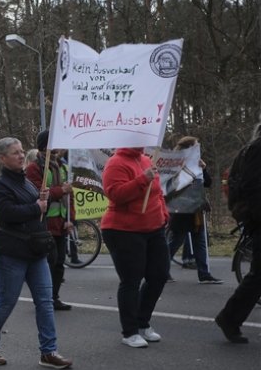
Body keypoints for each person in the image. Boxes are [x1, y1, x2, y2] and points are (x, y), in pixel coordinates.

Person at [0, 137, 72, 369]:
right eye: (15, 153)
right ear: (2, 158)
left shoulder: (27, 182)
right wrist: (35, 207)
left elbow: (37, 211)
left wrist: (44, 201)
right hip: (11, 252)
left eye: (21, 152)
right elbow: (3, 215)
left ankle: (48, 352)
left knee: (45, 302)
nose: (21, 155)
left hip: (35, 251)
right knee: (7, 302)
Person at [101, 146, 169, 348]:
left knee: (159, 275)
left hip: (154, 228)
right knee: (131, 280)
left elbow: (157, 192)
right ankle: (130, 331)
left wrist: (164, 214)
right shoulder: (115, 162)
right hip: (123, 230)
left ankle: (142, 321)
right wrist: (142, 180)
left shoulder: (147, 159)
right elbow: (115, 194)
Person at [215, 121, 261, 343]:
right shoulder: (256, 150)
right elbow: (253, 188)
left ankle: (230, 318)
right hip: (258, 218)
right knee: (258, 275)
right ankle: (229, 318)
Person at [26, 130, 74, 310]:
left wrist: (72, 220)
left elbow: (70, 196)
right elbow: (38, 193)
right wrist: (62, 190)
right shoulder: (34, 168)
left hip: (61, 223)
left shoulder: (63, 166)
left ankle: (54, 297)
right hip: (44, 223)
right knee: (49, 262)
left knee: (59, 262)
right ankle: (43, 298)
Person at [164, 136, 222, 284]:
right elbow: (171, 186)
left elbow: (207, 183)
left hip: (196, 209)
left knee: (200, 242)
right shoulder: (175, 164)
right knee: (175, 242)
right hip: (181, 210)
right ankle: (161, 270)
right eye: (195, 146)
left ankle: (204, 274)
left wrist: (204, 169)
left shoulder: (197, 163)